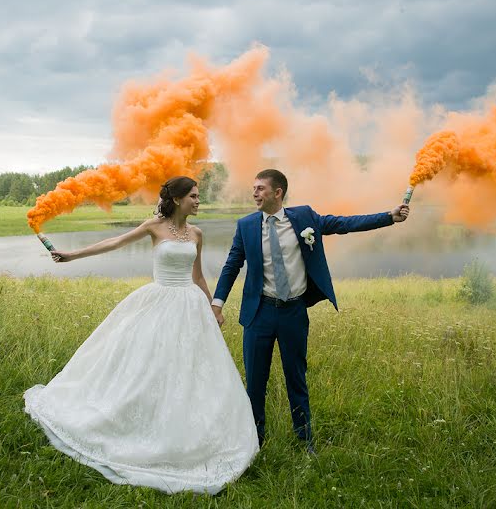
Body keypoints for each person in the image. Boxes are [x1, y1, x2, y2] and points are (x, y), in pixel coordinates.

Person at [24, 176, 258, 495]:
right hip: (158, 301)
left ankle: (186, 430)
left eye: (199, 196)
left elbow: (198, 274)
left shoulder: (197, 233)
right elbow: (113, 243)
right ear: (176, 199)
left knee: (189, 371)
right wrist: (71, 255)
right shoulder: (154, 226)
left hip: (190, 307)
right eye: (193, 196)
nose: (198, 200)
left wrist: (213, 307)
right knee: (146, 366)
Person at [211, 169, 409, 454]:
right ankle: (254, 443)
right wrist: (217, 304)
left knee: (297, 379)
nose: (254, 193)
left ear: (277, 193)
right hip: (259, 314)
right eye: (253, 188)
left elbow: (345, 223)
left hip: (293, 313)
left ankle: (306, 442)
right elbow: (232, 265)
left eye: (260, 188)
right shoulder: (246, 226)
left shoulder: (304, 218)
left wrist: (389, 217)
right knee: (255, 383)